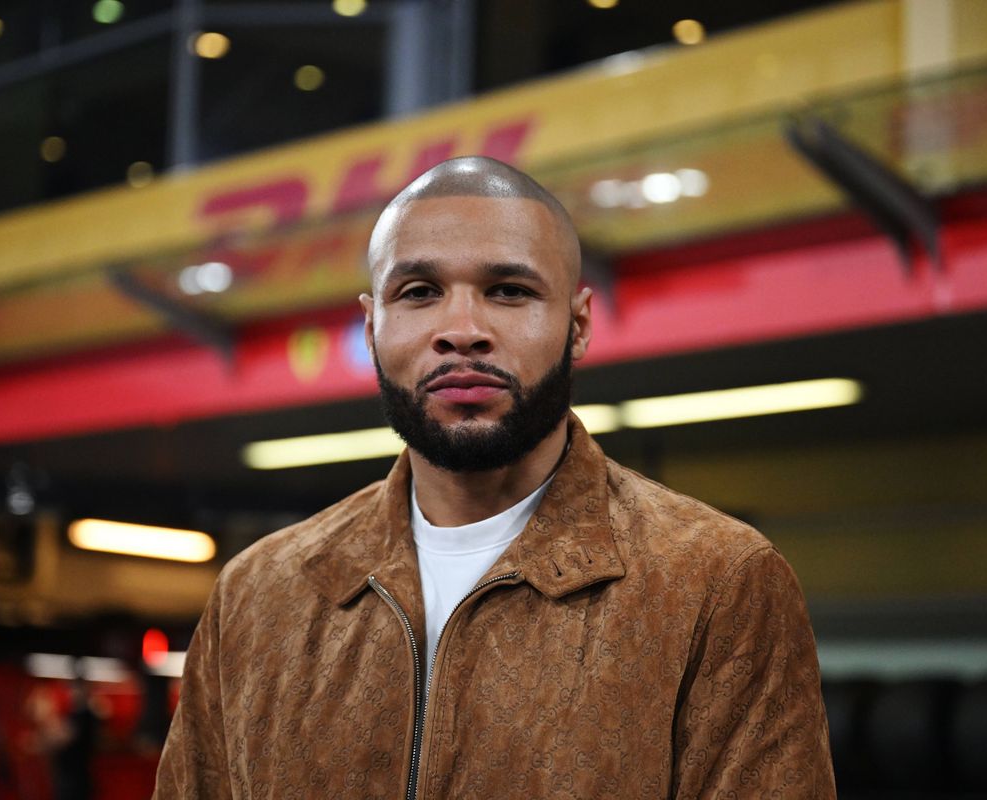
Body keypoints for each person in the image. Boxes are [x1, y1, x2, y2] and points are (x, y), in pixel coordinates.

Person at [153, 157, 836, 798]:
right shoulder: (258, 595)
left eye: (508, 291)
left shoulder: (715, 582)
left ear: (577, 324)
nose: (462, 329)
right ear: (371, 327)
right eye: (419, 292)